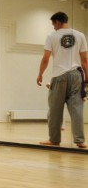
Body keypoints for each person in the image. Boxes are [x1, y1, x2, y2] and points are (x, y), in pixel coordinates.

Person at [36, 12, 88, 149]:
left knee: (55, 109)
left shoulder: (52, 36)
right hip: (77, 75)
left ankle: (54, 139)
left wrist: (40, 74)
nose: (53, 27)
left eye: (53, 24)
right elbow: (84, 60)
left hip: (59, 76)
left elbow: (46, 58)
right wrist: (87, 78)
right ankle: (80, 140)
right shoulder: (80, 35)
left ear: (58, 22)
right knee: (77, 109)